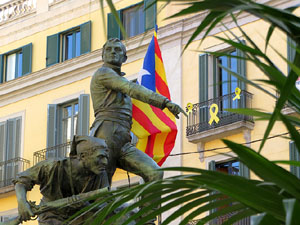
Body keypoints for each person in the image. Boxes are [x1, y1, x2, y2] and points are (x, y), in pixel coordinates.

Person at [89, 38, 186, 224]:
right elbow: (131, 88)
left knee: (154, 173)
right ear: (102, 55)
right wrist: (164, 102)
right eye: (108, 49)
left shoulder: (118, 80)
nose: (112, 52)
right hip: (105, 136)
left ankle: (146, 219)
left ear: (124, 57)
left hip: (122, 139)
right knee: (102, 192)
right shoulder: (103, 74)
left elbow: (128, 87)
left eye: (117, 50)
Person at [13, 135, 110, 225]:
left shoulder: (100, 174)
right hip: (51, 216)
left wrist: (87, 204)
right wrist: (22, 203)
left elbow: (103, 202)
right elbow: (22, 181)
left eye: (106, 157)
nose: (105, 162)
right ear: (83, 156)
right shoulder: (51, 166)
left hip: (81, 216)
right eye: (100, 157)